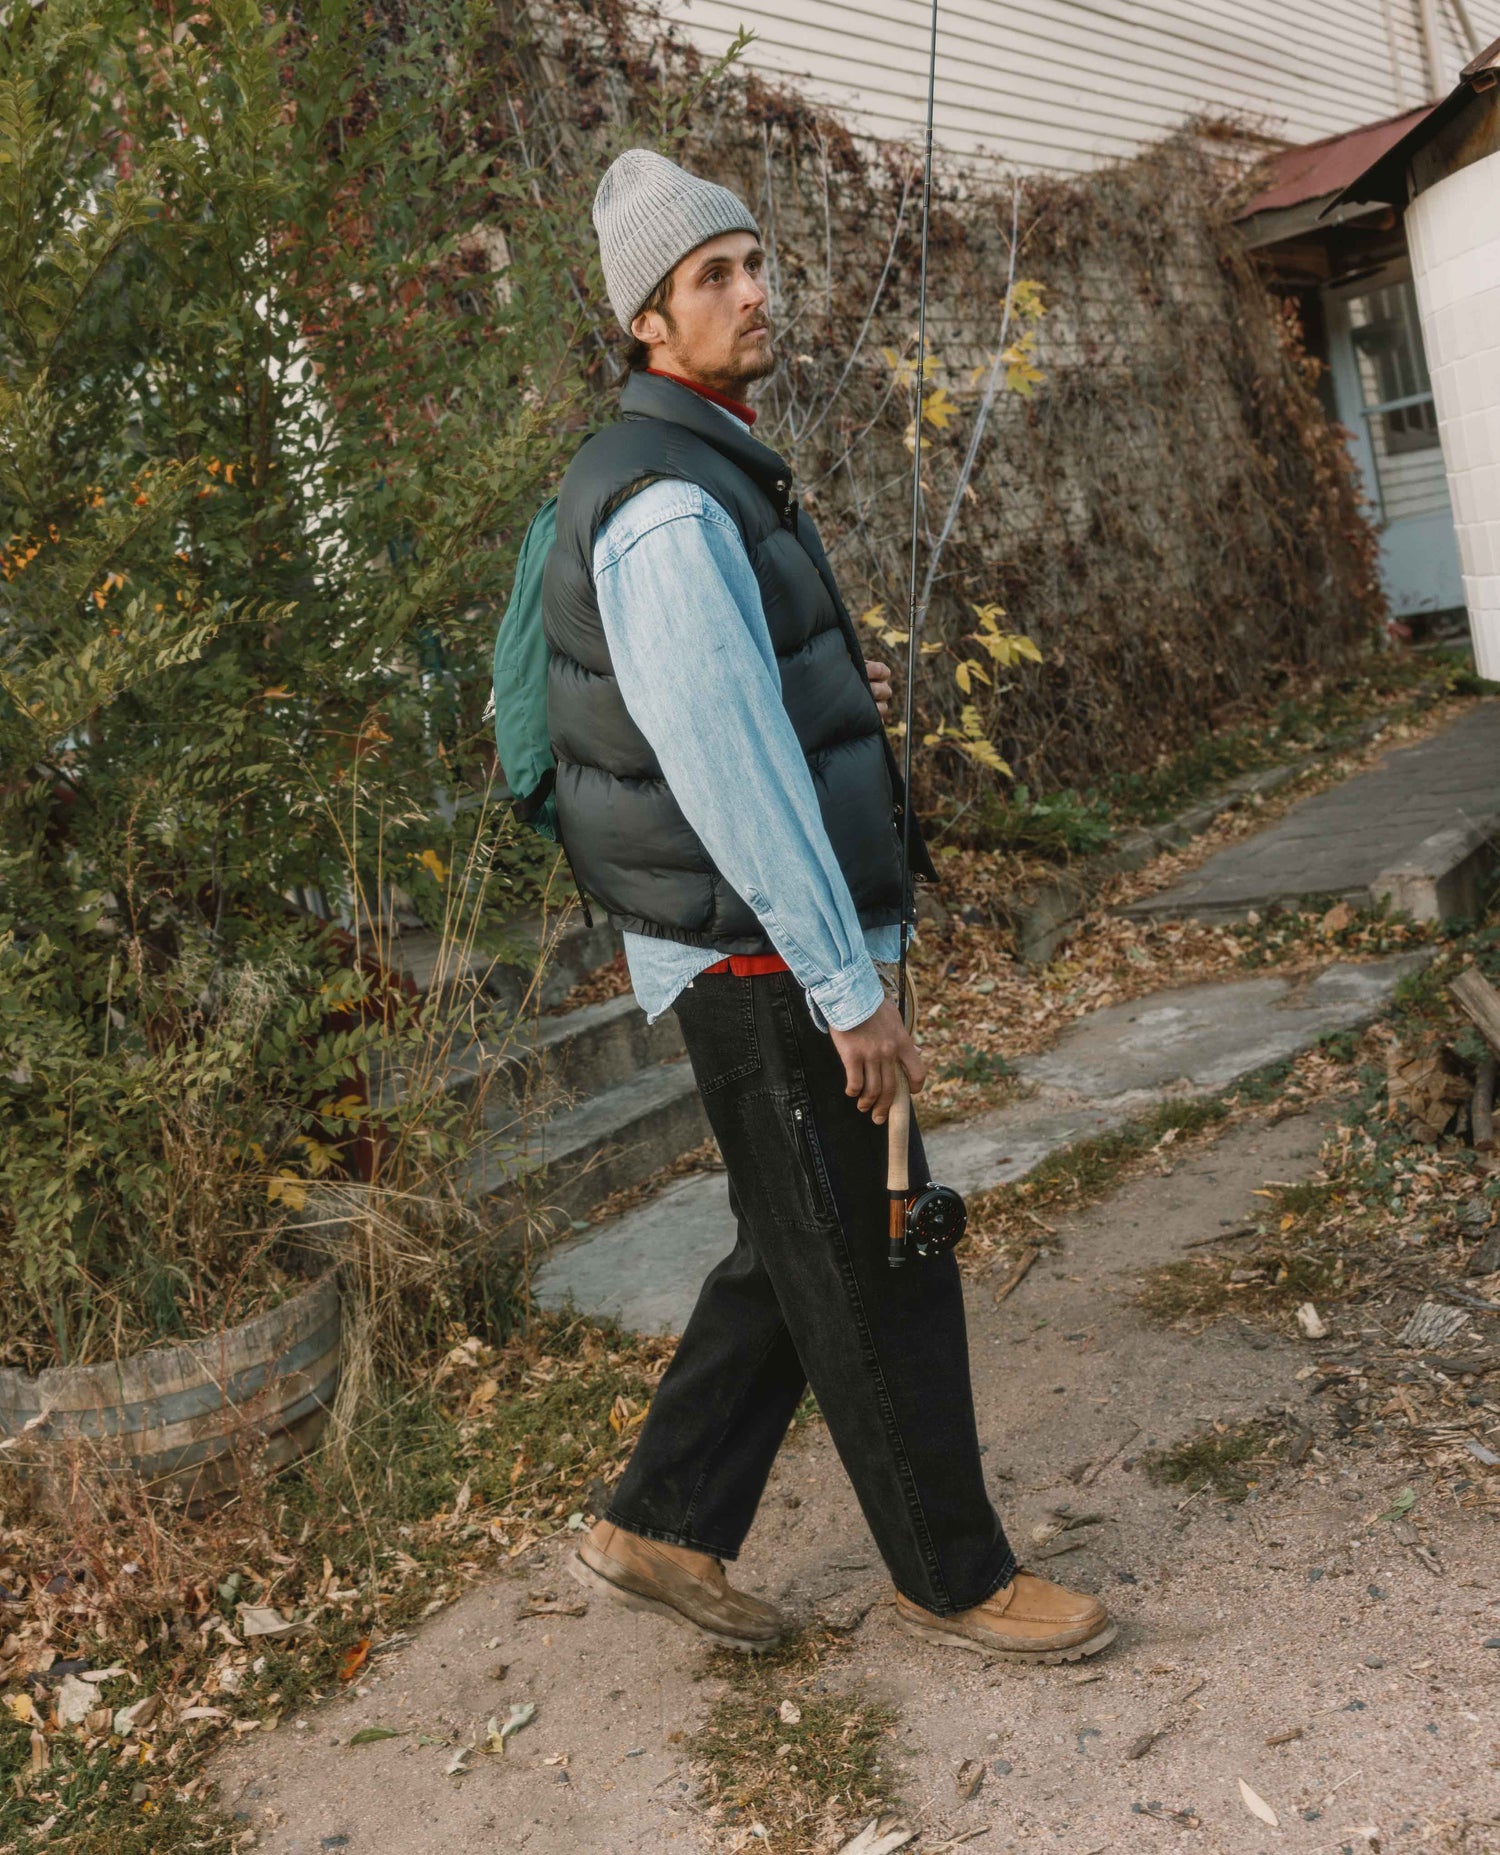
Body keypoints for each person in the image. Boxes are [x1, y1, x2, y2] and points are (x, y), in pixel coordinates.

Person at [546, 148, 1115, 1663]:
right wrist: (844, 987)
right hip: (763, 956)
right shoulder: (666, 500)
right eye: (711, 277)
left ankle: (658, 1524)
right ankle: (954, 1574)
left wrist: (826, 696)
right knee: (876, 1258)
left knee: (790, 1245)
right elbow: (724, 774)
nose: (751, 289)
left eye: (752, 260)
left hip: (765, 944)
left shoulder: (707, 455)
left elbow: (738, 704)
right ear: (647, 323)